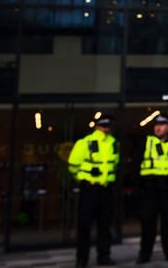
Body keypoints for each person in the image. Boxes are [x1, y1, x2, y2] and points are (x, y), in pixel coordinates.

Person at [69, 114, 120, 267]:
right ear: (97, 126)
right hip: (90, 189)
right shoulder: (85, 143)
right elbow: (73, 165)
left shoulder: (114, 144)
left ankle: (102, 257)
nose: (106, 129)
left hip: (105, 190)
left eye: (107, 126)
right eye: (104, 126)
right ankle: (82, 259)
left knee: (104, 226)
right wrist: (83, 179)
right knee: (86, 226)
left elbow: (114, 165)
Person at [135, 114, 168, 264]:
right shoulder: (146, 142)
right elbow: (136, 167)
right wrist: (137, 189)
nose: (158, 127)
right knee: (148, 225)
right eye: (156, 124)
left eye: (162, 124)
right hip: (150, 190)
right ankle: (144, 254)